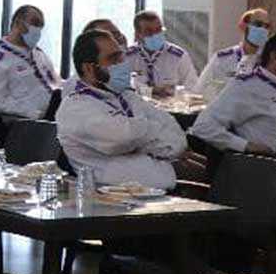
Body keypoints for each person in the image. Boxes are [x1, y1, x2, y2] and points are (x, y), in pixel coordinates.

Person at [56, 29, 191, 190]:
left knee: (211, 170)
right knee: (212, 179)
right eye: (113, 59)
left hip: (157, 176)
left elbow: (172, 128)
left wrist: (140, 139)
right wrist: (150, 135)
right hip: (115, 192)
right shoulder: (76, 107)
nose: (122, 63)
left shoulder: (126, 96)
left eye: (121, 56)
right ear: (89, 69)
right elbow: (121, 138)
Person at [193, 32, 276, 155]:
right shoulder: (246, 86)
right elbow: (203, 126)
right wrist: (245, 145)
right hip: (268, 161)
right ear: (275, 56)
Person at [0, 5, 60, 118]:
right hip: (26, 122)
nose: (37, 31)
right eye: (34, 24)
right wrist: (31, 113)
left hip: (57, 114)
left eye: (40, 27)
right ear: (17, 23)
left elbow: (55, 82)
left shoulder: (40, 55)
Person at [196, 8, 269, 100]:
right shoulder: (222, 59)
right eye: (258, 24)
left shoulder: (269, 62)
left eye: (267, 26)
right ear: (243, 26)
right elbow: (199, 91)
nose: (263, 29)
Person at [121, 11, 198, 95]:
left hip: (171, 101)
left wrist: (172, 92)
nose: (155, 35)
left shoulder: (178, 56)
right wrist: (151, 91)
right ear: (138, 34)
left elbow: (193, 87)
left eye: (158, 30)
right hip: (136, 102)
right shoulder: (128, 56)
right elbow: (123, 87)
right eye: (149, 31)